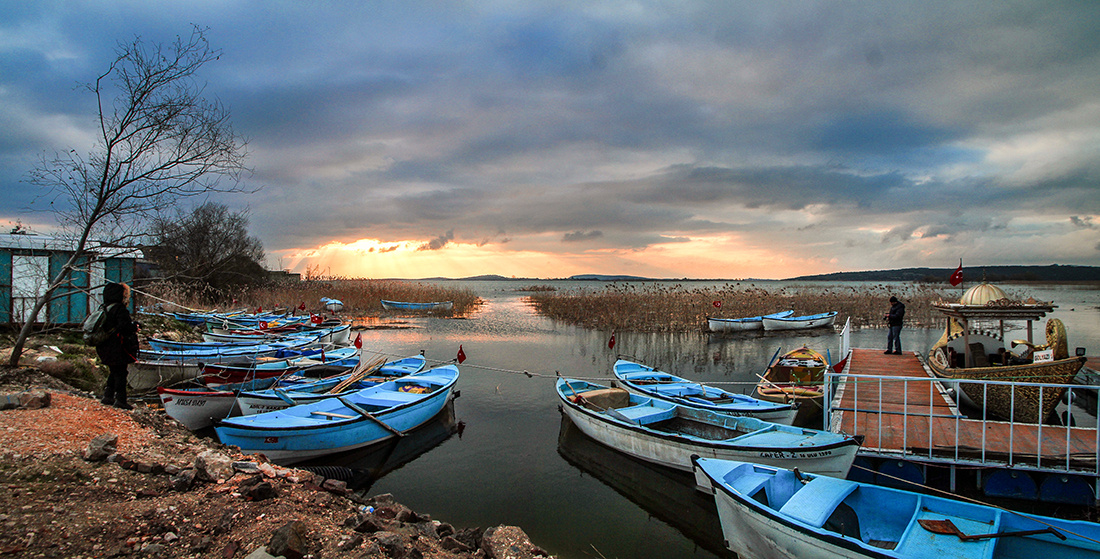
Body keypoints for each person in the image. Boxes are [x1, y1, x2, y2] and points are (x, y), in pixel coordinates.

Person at [95, 282, 140, 409]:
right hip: (117, 346)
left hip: (104, 345)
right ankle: (121, 400)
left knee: (114, 371)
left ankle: (108, 396)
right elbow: (124, 327)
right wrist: (135, 327)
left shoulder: (104, 307)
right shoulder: (119, 309)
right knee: (120, 373)